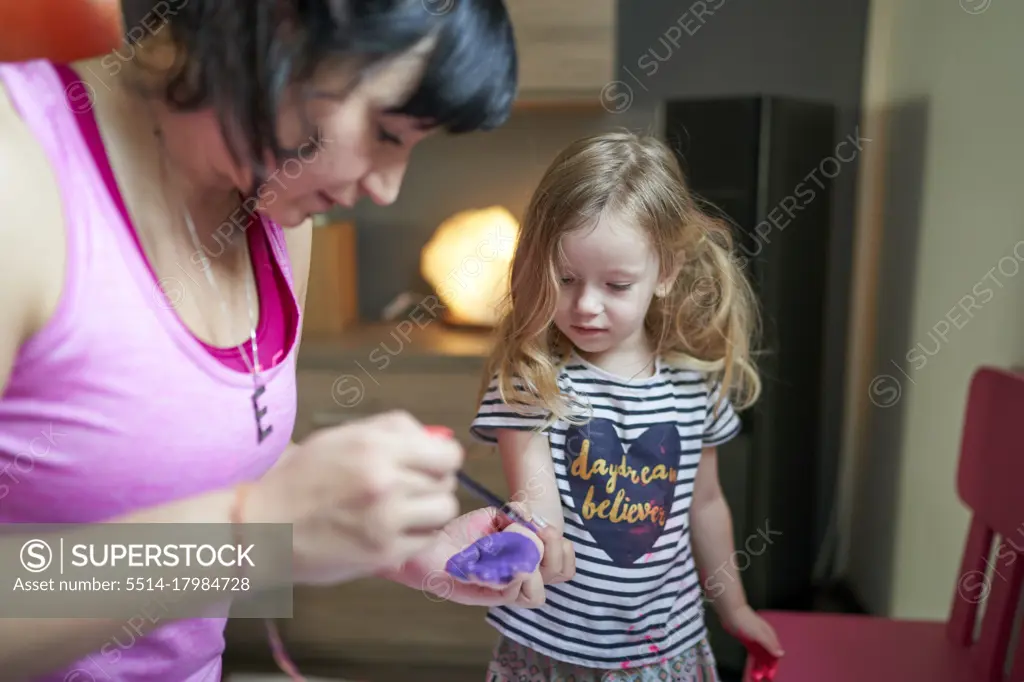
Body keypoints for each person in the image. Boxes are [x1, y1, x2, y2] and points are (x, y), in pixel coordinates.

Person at [0, 1, 546, 680]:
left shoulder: (273, 212)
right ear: (283, 24)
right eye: (385, 130)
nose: (386, 185)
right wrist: (242, 532)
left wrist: (393, 541)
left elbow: (202, 459)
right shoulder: (18, 180)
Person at [469, 131, 786, 681]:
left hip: (665, 648)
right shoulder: (531, 380)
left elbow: (706, 505)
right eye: (564, 279)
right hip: (553, 648)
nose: (585, 305)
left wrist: (734, 608)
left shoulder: (694, 387)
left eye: (616, 285)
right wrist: (538, 536)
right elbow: (535, 500)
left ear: (665, 272)